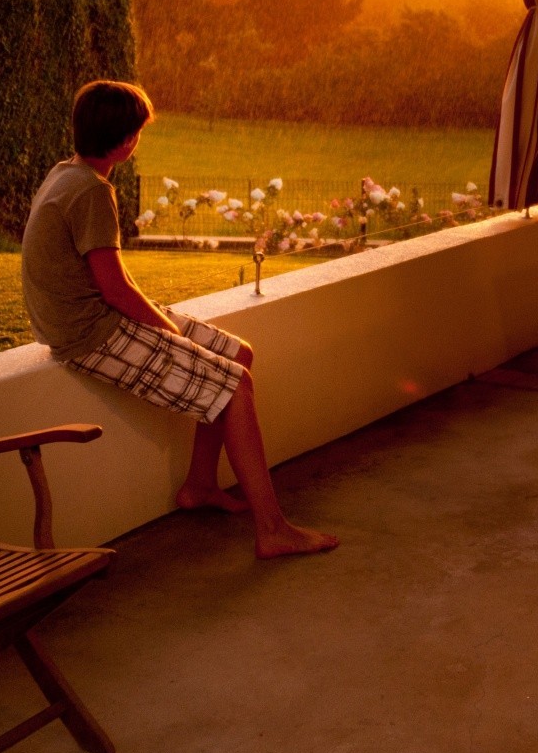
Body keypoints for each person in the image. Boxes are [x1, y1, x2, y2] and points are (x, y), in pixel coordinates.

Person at [22, 79, 337, 559]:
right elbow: (114, 288)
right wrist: (169, 333)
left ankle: (199, 485)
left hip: (92, 314)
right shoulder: (90, 192)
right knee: (234, 384)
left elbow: (107, 278)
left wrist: (166, 328)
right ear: (126, 139)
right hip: (90, 332)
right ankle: (272, 528)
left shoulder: (67, 173)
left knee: (237, 353)